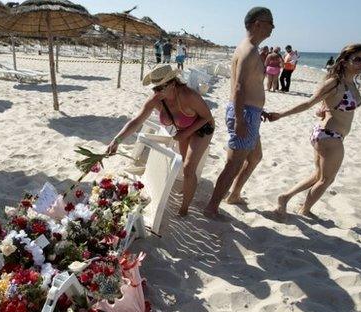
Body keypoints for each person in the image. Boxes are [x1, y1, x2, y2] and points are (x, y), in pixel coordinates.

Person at [268, 44, 361, 217]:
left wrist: (324, 109)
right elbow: (309, 103)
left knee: (318, 176)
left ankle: (284, 198)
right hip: (330, 136)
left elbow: (327, 104)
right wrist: (280, 114)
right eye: (358, 59)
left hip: (329, 135)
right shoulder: (334, 83)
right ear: (345, 61)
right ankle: (305, 210)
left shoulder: (351, 82)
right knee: (326, 179)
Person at [107, 65, 215, 216]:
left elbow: (207, 117)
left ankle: (184, 208)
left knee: (189, 167)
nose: (156, 92)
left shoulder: (189, 95)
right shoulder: (156, 99)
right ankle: (188, 186)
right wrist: (116, 140)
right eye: (154, 88)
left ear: (172, 83)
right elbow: (137, 121)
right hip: (183, 129)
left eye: (160, 88)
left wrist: (185, 134)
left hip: (202, 127)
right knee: (185, 167)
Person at [203, 7, 274, 218]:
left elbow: (248, 86)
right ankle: (211, 207)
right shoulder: (249, 50)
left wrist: (256, 109)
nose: (273, 27)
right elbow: (239, 87)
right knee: (233, 164)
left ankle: (234, 194)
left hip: (250, 112)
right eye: (270, 22)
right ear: (257, 23)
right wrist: (241, 118)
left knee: (255, 157)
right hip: (244, 114)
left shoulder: (251, 49)